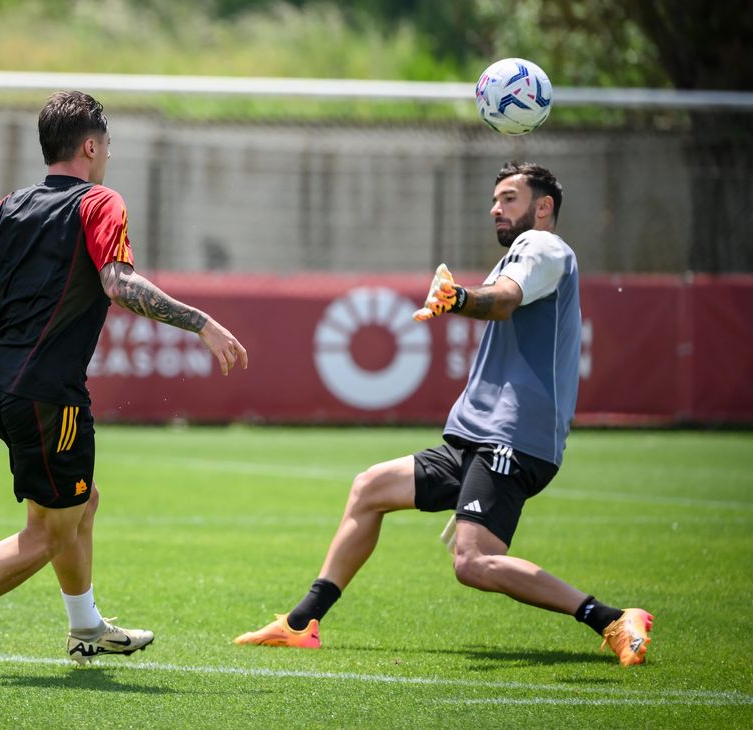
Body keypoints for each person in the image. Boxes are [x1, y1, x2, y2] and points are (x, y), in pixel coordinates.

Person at [234, 161, 653, 666]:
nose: (496, 208)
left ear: (544, 208)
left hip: (513, 438)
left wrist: (459, 298)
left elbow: (501, 303)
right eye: (495, 199)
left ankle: (609, 618)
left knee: (473, 563)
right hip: (477, 436)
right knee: (370, 488)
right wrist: (463, 299)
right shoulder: (522, 253)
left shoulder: (544, 248)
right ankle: (302, 623)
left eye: (510, 198)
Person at [0, 90, 248, 674]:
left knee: (82, 503)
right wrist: (202, 323)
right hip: (47, 394)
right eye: (106, 143)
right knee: (48, 532)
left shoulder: (2, 209)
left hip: (5, 386)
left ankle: (87, 629)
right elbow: (118, 285)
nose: (108, 153)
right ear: (90, 146)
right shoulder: (99, 202)